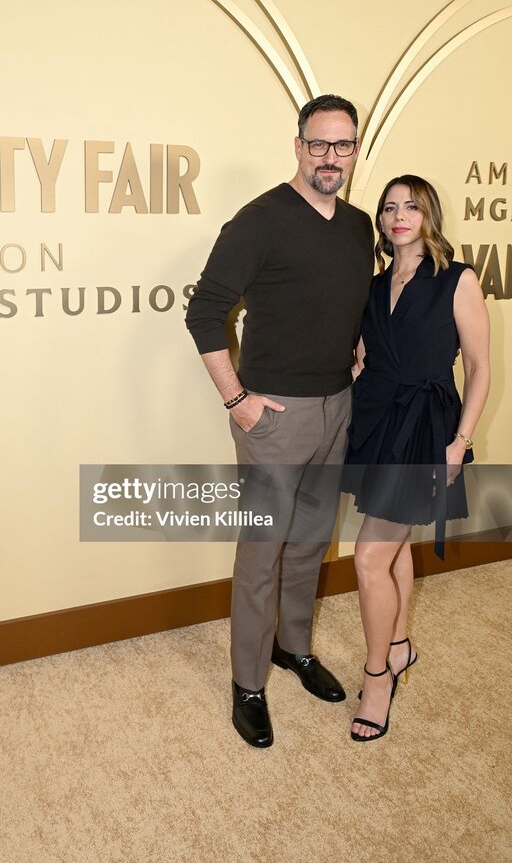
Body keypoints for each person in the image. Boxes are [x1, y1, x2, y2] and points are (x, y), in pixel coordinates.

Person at [185, 94, 374, 747]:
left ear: (355, 149)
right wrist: (236, 399)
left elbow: (339, 299)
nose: (330, 157)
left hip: (337, 408)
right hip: (274, 416)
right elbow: (203, 314)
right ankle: (247, 683)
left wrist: (354, 345)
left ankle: (293, 648)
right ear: (298, 146)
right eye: (319, 144)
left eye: (343, 145)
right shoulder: (258, 220)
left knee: (311, 543)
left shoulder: (358, 227)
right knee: (262, 553)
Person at [344, 175, 490, 742]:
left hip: (425, 428)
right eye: (389, 207)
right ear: (381, 220)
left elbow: (478, 367)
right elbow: (365, 357)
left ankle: (377, 677)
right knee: (395, 544)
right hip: (377, 421)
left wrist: (460, 441)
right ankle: (399, 644)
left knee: (368, 558)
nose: (398, 215)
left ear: (429, 214)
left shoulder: (458, 279)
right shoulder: (375, 284)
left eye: (411, 206)